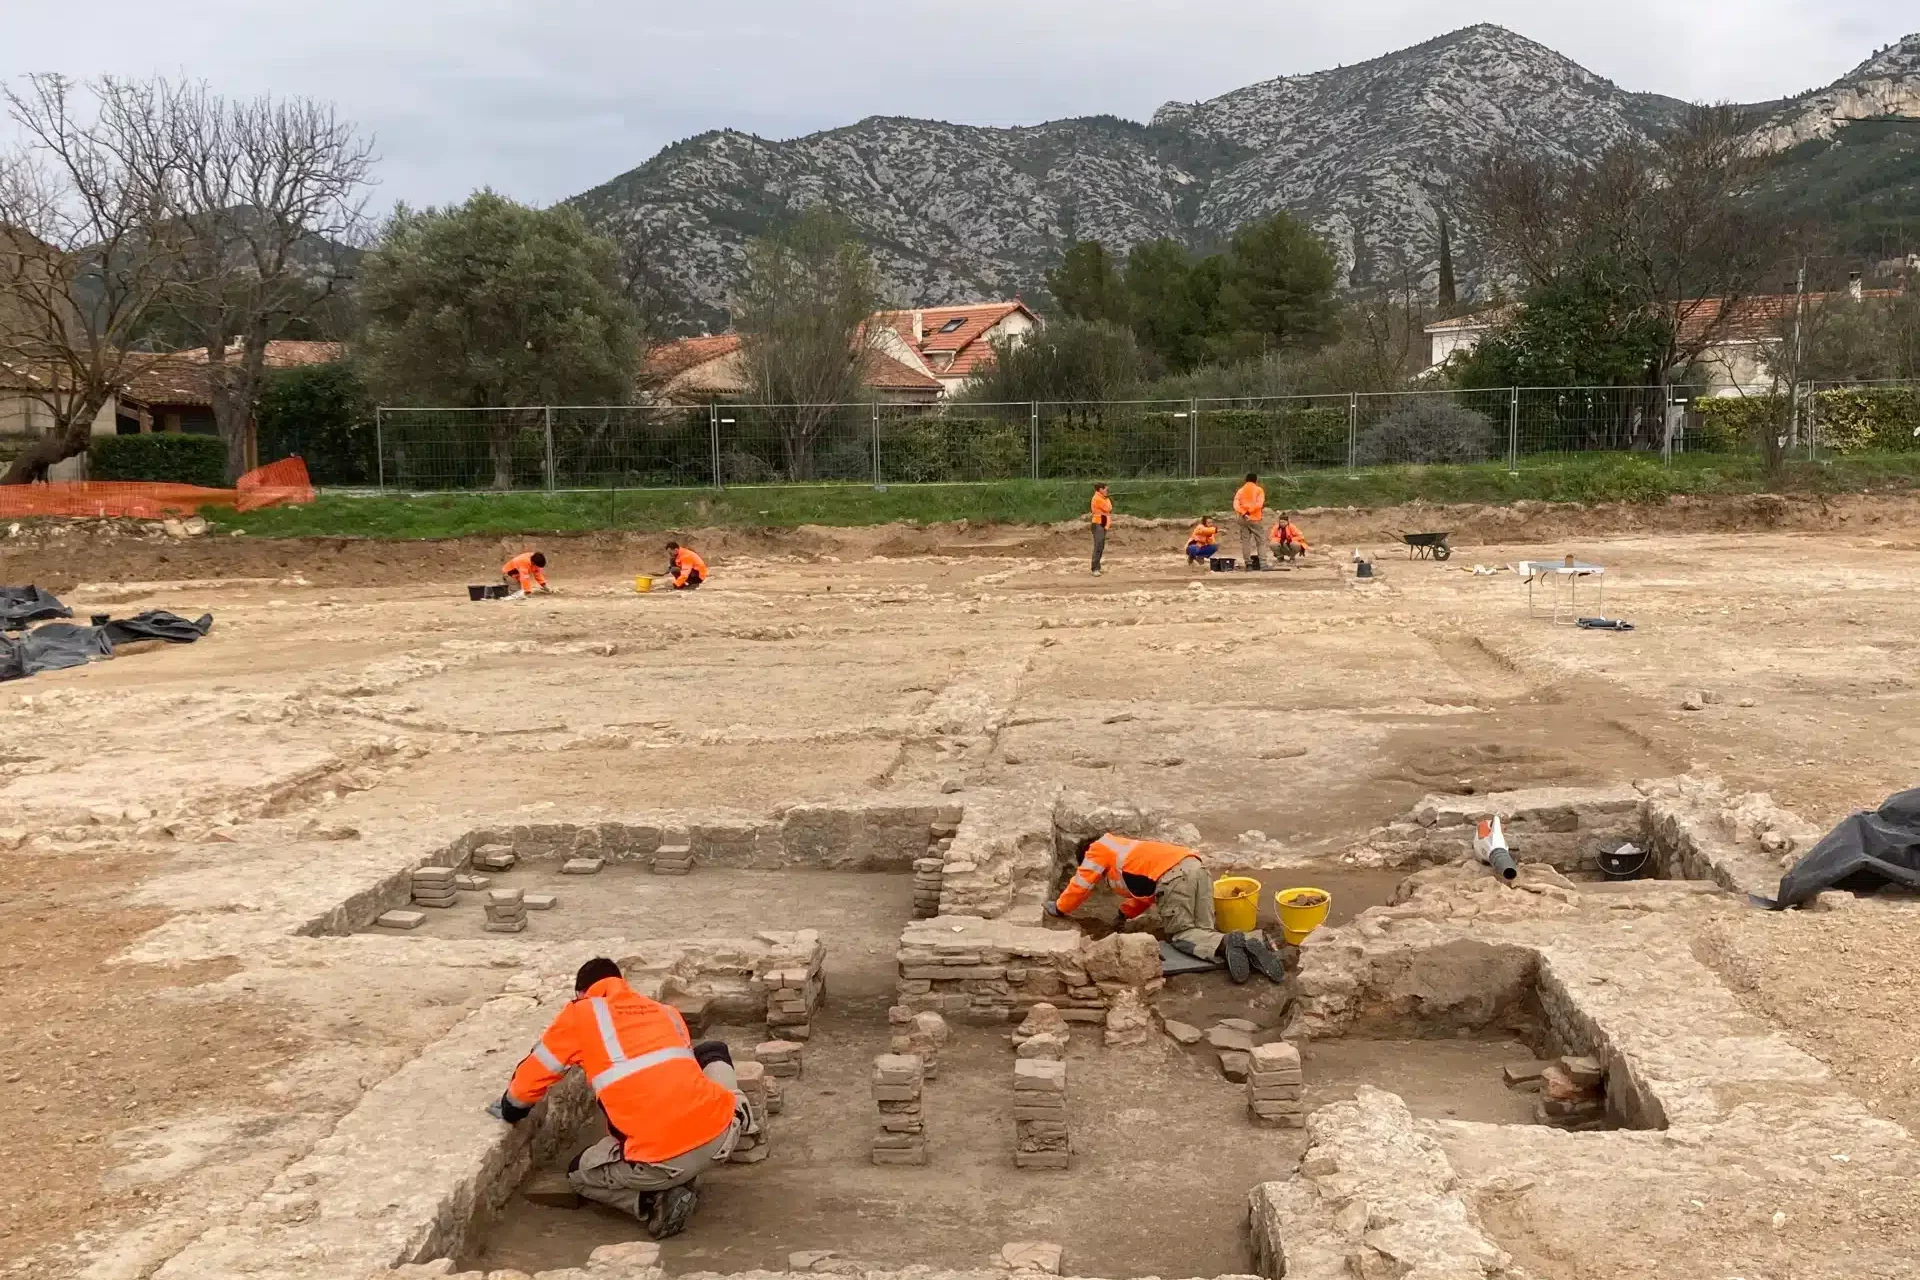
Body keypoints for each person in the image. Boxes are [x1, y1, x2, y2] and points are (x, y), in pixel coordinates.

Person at [487, 957, 756, 1239]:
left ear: (580, 993)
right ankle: (746, 1122)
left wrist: (511, 1108)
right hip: (724, 1134)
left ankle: (655, 1203)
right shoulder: (664, 1011)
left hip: (665, 1160)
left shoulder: (581, 1013)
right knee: (712, 1051)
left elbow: (534, 1074)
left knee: (579, 1173)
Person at [1044, 833, 1286, 984]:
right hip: (1196, 869)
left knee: (1183, 936)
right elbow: (1147, 895)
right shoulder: (1129, 851)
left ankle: (1230, 943)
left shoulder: (1098, 849)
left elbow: (1081, 883)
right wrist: (1124, 913)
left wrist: (1060, 908)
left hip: (1175, 879)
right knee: (1203, 931)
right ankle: (1250, 941)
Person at [1232, 473, 1266, 571]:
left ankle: (1248, 564)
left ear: (1245, 480)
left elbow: (1235, 504)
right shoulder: (1259, 490)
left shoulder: (1240, 490)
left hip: (1242, 518)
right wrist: (1249, 512)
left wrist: (1243, 513)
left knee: (1245, 542)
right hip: (1254, 518)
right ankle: (1263, 563)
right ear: (1256, 480)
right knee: (1261, 541)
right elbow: (1259, 504)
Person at [1089, 483, 1112, 576]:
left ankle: (1097, 567)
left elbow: (1109, 508)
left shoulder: (1103, 498)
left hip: (1102, 522)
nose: (1107, 490)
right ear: (1100, 489)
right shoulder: (1097, 498)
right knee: (1098, 545)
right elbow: (1107, 508)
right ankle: (1094, 568)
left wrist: (1106, 498)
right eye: (1105, 489)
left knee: (1101, 546)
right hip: (1098, 522)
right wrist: (1107, 499)